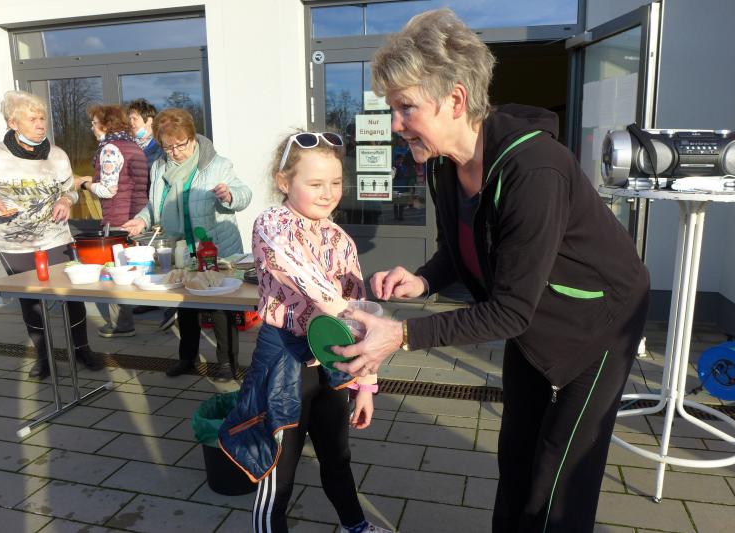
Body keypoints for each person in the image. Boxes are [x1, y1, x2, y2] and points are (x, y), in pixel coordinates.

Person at [332, 9, 650, 533]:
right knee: (516, 457)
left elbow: (510, 311)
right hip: (529, 320)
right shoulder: (442, 164)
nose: (395, 124)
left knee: (557, 482)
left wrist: (402, 336)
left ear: (455, 100)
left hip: (599, 325)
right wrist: (424, 279)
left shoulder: (535, 169)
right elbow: (458, 251)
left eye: (406, 107)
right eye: (392, 108)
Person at [219, 130, 390, 533]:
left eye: (336, 182)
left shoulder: (340, 239)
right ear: (284, 182)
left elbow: (358, 319)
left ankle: (355, 526)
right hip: (283, 358)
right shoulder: (271, 225)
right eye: (315, 184)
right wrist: (354, 313)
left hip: (330, 360)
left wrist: (366, 384)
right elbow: (303, 276)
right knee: (279, 469)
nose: (328, 193)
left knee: (337, 457)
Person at [121, 108, 252, 380]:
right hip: (180, 248)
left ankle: (227, 363)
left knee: (219, 308)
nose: (175, 152)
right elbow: (154, 205)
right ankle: (187, 358)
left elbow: (245, 194)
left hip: (214, 247)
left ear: (192, 137)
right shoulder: (160, 167)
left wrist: (229, 195)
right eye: (168, 147)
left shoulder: (217, 164)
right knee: (184, 305)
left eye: (180, 145)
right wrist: (141, 220)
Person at [0, 90, 103, 378]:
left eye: (42, 118)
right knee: (31, 301)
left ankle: (82, 349)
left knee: (72, 295)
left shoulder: (57, 155)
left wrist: (66, 200)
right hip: (14, 244)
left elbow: (70, 190)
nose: (41, 124)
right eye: (33, 119)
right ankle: (44, 357)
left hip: (56, 238)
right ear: (13, 123)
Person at [75, 104, 149, 339]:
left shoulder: (110, 149)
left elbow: (108, 190)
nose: (92, 127)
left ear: (106, 125)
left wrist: (84, 184)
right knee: (137, 269)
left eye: (94, 123)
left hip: (118, 219)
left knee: (118, 273)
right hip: (138, 216)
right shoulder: (133, 145)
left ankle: (121, 325)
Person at [126, 98, 175, 330]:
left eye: (134, 119)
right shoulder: (134, 145)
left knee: (167, 258)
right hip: (144, 208)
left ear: (149, 120)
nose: (131, 123)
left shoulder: (159, 148)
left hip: (160, 208)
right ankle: (153, 300)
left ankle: (171, 307)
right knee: (151, 257)